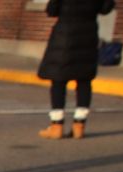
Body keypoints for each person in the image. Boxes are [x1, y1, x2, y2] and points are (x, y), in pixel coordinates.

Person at [38, 0, 115, 139]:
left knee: (58, 81)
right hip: (88, 35)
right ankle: (79, 125)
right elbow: (106, 8)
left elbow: (51, 10)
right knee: (84, 80)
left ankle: (57, 125)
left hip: (64, 36)